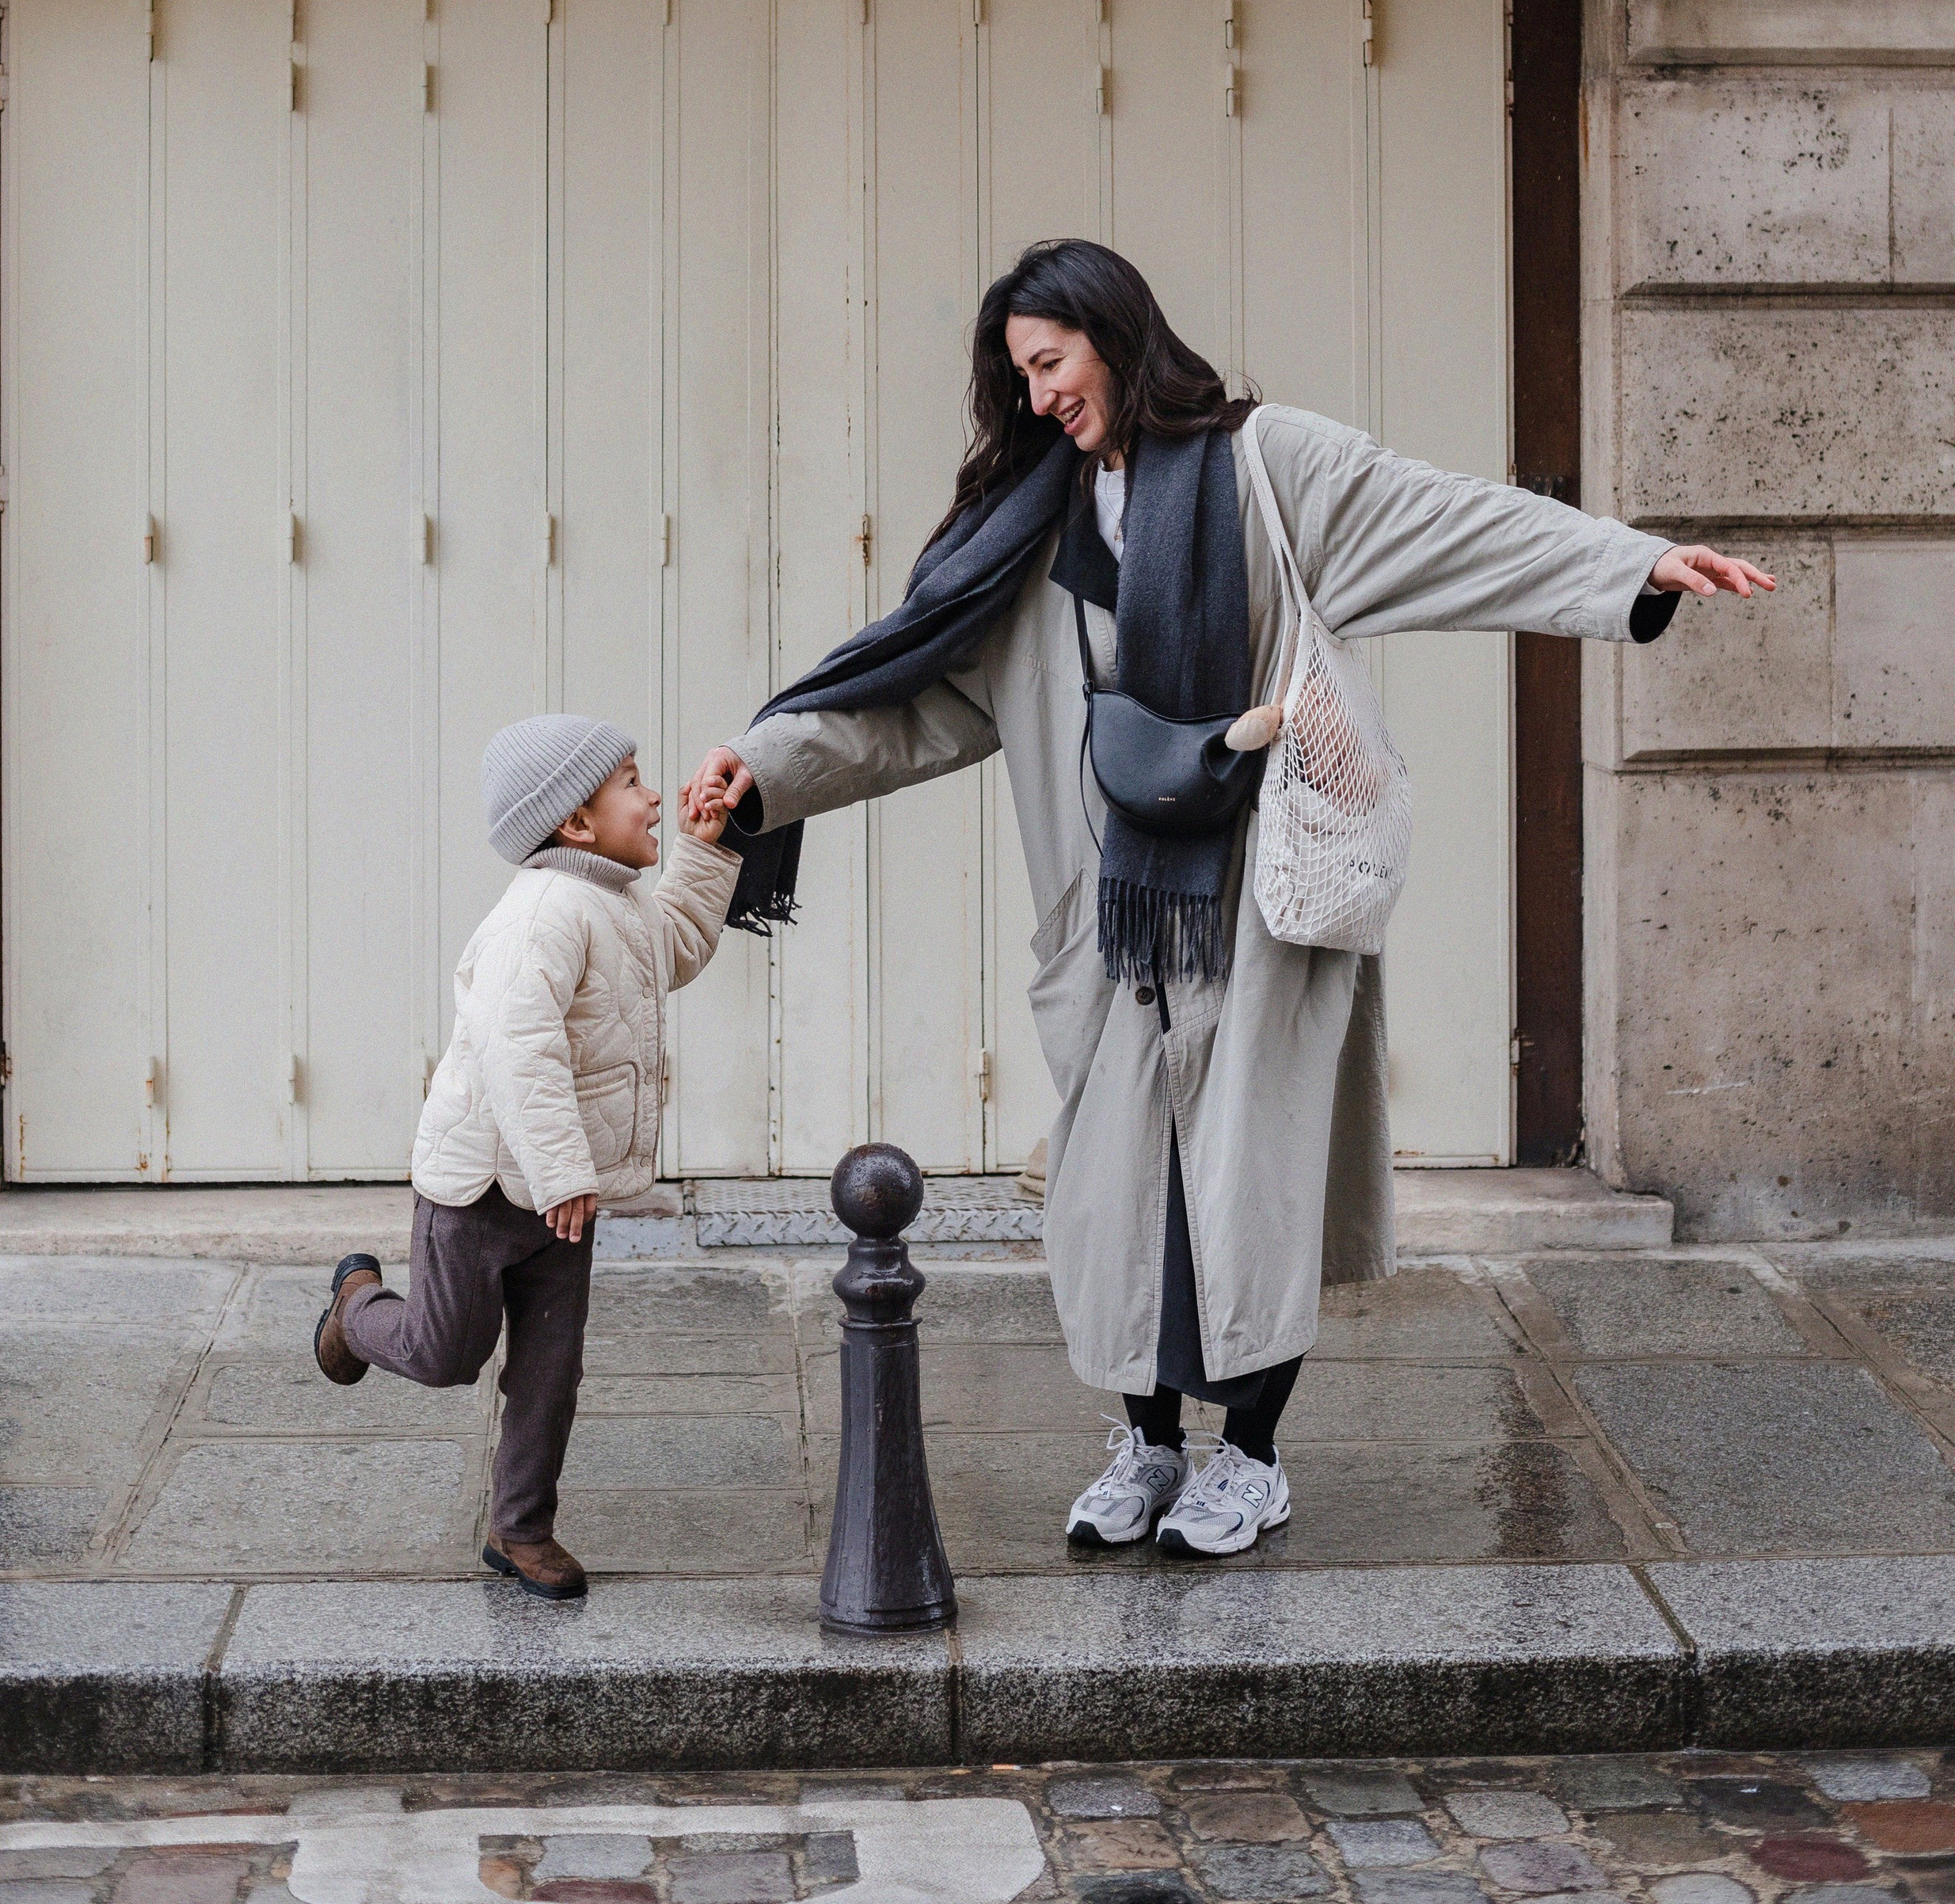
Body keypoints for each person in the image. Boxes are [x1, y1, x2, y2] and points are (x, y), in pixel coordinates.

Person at [688, 238, 1771, 1562]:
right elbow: (918, 700)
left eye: (1050, 363)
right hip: (1111, 926)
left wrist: (1634, 566)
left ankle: (1249, 1459)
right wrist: (770, 765)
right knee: (1118, 1195)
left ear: (1115, 335)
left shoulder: (1271, 467)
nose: (1035, 399)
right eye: (1017, 376)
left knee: (1253, 1186)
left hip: (1258, 913)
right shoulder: (1031, 524)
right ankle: (1147, 1446)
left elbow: (1445, 520)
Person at [313, 714, 737, 1598]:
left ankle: (521, 1528)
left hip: (559, 1193)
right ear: (574, 823)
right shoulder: (541, 913)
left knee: (550, 1369)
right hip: (482, 1186)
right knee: (444, 1354)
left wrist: (702, 847)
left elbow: (679, 947)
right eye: (631, 782)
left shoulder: (616, 901)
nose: (654, 794)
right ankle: (357, 1306)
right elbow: (519, 1046)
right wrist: (563, 1172)